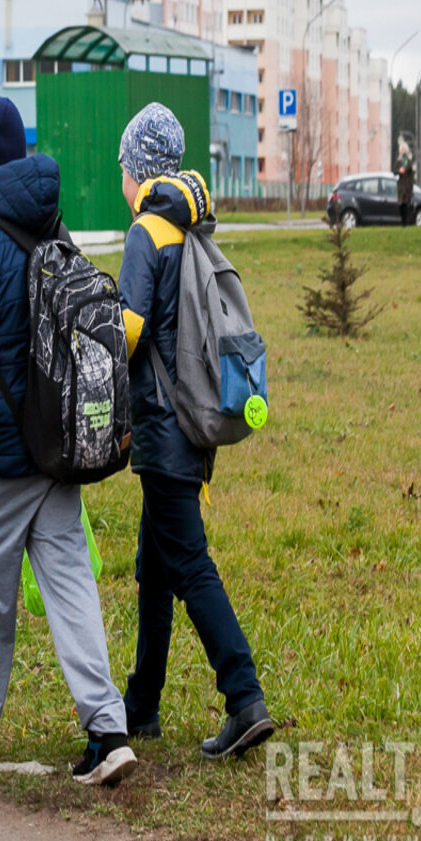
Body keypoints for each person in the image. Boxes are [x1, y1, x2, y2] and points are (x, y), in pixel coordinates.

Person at [0, 97, 136, 786]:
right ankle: (108, 731)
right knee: (72, 581)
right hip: (59, 443)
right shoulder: (55, 228)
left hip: (0, 451)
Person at [116, 102, 274, 760]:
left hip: (163, 426)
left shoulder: (148, 233)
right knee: (155, 568)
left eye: (125, 167)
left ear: (139, 171)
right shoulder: (191, 227)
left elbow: (127, 331)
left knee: (188, 563)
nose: (123, 179)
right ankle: (142, 706)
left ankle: (244, 698)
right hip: (194, 419)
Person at [396, 138, 415, 227]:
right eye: (401, 149)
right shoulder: (399, 161)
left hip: (407, 185)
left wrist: (405, 169)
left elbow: (410, 170)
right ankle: (402, 221)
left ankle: (405, 223)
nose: (403, 151)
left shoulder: (409, 160)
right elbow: (394, 170)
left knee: (406, 203)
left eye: (404, 149)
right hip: (400, 186)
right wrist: (399, 170)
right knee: (401, 204)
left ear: (406, 150)